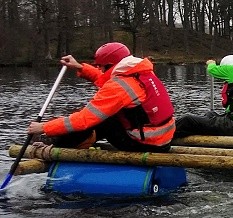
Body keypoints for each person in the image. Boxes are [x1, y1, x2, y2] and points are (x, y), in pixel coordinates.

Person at [25, 42, 175, 152]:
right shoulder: (140, 71)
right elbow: (106, 79)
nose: (98, 69)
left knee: (97, 120)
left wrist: (44, 127)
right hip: (163, 139)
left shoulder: (119, 86)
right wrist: (80, 67)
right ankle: (76, 143)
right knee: (103, 116)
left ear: (110, 65)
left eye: (100, 66)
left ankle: (59, 149)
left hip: (147, 145)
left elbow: (83, 120)